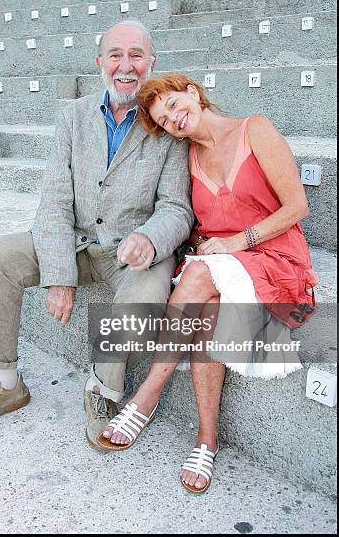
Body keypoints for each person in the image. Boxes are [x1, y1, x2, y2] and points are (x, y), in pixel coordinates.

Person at [0, 25, 194, 450]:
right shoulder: (73, 116)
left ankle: (102, 393)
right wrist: (60, 274)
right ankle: (5, 384)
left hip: (130, 253)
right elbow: (56, 200)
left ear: (151, 63)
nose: (126, 66)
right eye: (115, 55)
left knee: (149, 288)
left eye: (137, 55)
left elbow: (177, 208)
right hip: (76, 242)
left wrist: (151, 239)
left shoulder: (167, 122)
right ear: (99, 63)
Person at [97, 73, 317, 493]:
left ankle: (147, 396)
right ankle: (206, 440)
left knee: (200, 274)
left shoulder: (256, 129)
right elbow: (196, 225)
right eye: (164, 120)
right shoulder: (188, 158)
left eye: (175, 106)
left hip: (277, 259)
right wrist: (207, 244)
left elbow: (297, 206)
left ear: (194, 93)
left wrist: (236, 242)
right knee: (209, 307)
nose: (174, 120)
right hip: (226, 265)